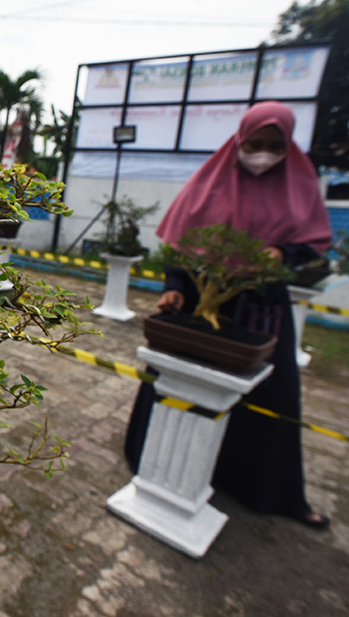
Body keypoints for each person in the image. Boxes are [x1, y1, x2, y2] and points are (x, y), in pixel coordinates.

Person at [124, 101, 332, 529]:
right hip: (202, 299)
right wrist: (173, 287)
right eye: (254, 144)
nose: (262, 154)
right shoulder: (210, 181)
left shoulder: (300, 185)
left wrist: (283, 253)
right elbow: (180, 245)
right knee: (177, 380)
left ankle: (269, 491)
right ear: (239, 140)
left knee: (272, 393)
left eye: (274, 146)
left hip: (261, 306)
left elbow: (313, 247)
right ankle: (150, 459)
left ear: (288, 146)